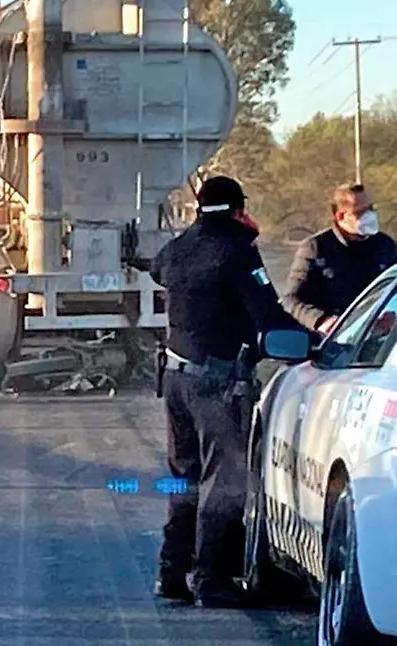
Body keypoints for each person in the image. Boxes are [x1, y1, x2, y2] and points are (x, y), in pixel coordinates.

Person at [149, 175, 302, 608]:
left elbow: (157, 269)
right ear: (238, 210)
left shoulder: (180, 247)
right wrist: (315, 345)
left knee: (184, 480)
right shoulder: (236, 252)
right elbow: (268, 315)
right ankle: (212, 581)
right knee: (224, 483)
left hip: (176, 381)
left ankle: (171, 574)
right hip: (215, 385)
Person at [282, 183, 397, 335]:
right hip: (331, 346)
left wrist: (393, 314)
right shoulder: (315, 247)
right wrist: (321, 321)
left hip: (379, 344)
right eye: (360, 212)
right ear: (340, 216)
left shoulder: (386, 246)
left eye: (371, 209)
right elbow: (292, 300)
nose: (369, 216)